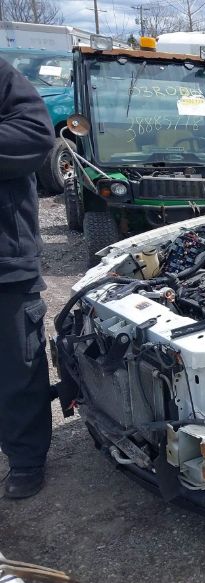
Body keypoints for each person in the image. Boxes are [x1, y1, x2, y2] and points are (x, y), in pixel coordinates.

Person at [0, 57, 57, 498]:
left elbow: (36, 136)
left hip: (5, 261)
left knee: (18, 366)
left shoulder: (1, 76)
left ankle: (25, 459)